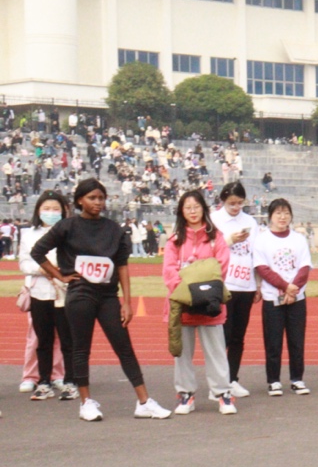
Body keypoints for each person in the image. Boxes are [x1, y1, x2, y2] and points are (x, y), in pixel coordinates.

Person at [30, 179, 171, 421]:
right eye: (92, 198)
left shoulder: (114, 229)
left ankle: (144, 402)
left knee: (124, 347)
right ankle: (86, 403)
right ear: (80, 201)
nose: (98, 202)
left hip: (108, 296)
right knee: (81, 349)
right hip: (80, 294)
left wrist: (127, 302)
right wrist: (60, 276)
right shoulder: (67, 226)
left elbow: (122, 266)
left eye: (101, 198)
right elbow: (37, 251)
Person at [163, 191, 235, 414]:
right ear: (181, 212)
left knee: (216, 351)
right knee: (182, 354)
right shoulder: (175, 240)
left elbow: (221, 267)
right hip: (183, 304)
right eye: (188, 208)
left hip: (210, 305)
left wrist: (202, 290)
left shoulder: (216, 237)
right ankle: (186, 395)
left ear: (204, 208)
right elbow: (169, 271)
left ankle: (223, 394)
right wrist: (187, 292)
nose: (193, 211)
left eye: (196, 207)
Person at [17, 191, 74, 401]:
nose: (51, 212)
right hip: (39, 291)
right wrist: (44, 270)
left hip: (64, 291)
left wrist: (61, 271)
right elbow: (24, 263)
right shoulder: (29, 234)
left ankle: (66, 378)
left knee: (66, 338)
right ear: (38, 210)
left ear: (63, 211)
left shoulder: (69, 231)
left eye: (55, 209)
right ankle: (39, 378)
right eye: (46, 209)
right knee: (41, 339)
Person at [253, 198, 312, 396]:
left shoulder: (299, 239)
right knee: (273, 341)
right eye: (278, 213)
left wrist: (293, 289)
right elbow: (263, 269)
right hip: (273, 298)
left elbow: (304, 267)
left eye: (286, 213)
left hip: (297, 298)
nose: (282, 217)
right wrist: (285, 287)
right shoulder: (262, 240)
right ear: (270, 216)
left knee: (297, 340)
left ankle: (297, 379)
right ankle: (274, 381)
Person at [210, 182, 258, 397]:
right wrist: (230, 240)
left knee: (238, 336)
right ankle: (217, 383)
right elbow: (209, 248)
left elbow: (256, 253)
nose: (236, 207)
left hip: (246, 284)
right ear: (223, 201)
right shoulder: (214, 219)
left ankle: (232, 379)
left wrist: (258, 284)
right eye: (232, 203)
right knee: (223, 336)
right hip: (224, 284)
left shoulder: (250, 221)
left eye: (240, 203)